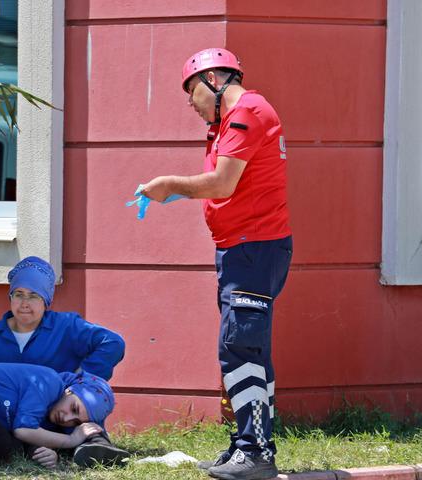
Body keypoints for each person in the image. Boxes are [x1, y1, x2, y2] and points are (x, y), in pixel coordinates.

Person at [140, 48, 292, 480]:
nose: (190, 103)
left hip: (254, 247)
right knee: (247, 346)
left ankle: (256, 451)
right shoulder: (228, 122)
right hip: (243, 248)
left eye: (192, 92)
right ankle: (248, 443)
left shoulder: (248, 111)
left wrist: (169, 184)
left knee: (240, 345)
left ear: (214, 80)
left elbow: (223, 182)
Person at [0, 256, 129, 466]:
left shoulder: (65, 326)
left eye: (34, 296)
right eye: (19, 294)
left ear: (46, 301)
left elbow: (113, 343)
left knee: (83, 418)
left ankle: (96, 448)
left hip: (67, 412)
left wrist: (83, 379)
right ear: (10, 297)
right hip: (24, 419)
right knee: (17, 437)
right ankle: (41, 449)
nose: (25, 304)